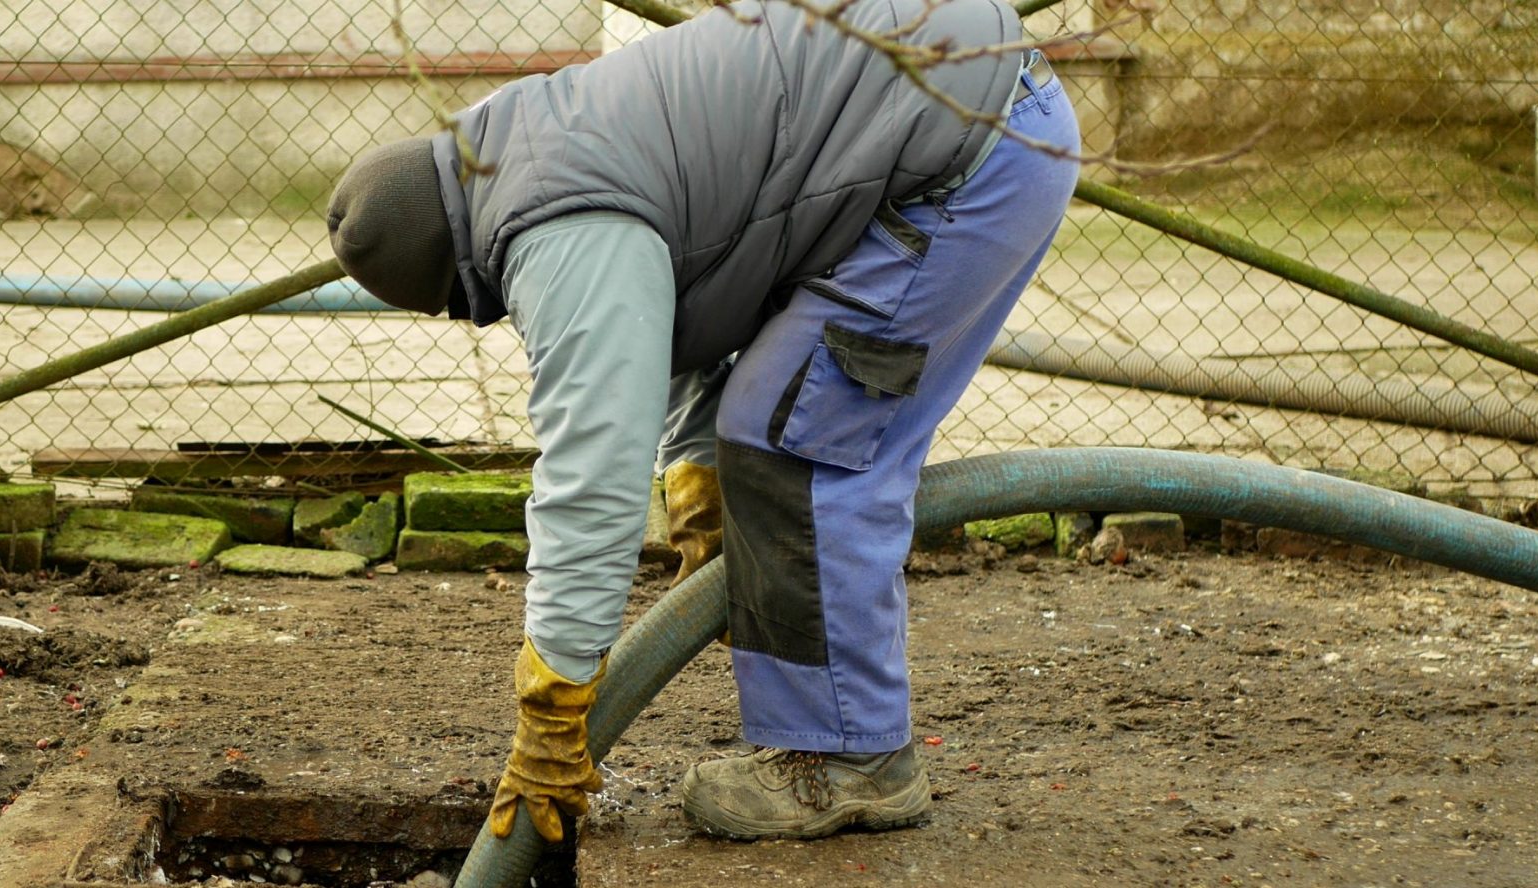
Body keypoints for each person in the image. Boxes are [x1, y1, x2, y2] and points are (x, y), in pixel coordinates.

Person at [324, 0, 1080, 844]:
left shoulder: (560, 234)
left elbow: (593, 479)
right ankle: (835, 732)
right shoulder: (524, 143)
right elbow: (682, 286)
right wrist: (697, 478)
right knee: (771, 424)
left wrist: (553, 702)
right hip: (967, 93)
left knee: (798, 437)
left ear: (454, 277)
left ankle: (850, 762)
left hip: (977, 150)